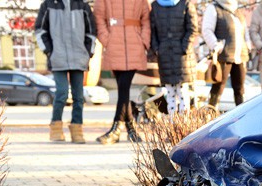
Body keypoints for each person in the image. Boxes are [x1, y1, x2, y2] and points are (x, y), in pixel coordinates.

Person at [35, 0, 97, 143]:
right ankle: (56, 128)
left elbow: (92, 32)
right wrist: (49, 51)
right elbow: (40, 30)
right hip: (58, 58)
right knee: (62, 93)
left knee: (79, 96)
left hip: (79, 58)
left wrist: (88, 53)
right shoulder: (48, 5)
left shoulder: (82, 6)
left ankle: (77, 130)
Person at [94, 0, 151, 144]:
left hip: (135, 46)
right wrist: (107, 40)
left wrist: (143, 41)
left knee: (124, 86)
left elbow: (146, 19)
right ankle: (131, 129)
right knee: (122, 89)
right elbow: (98, 18)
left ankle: (116, 128)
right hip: (114, 46)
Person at [150, 0, 199, 116]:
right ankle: (173, 124)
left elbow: (192, 28)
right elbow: (152, 32)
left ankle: (183, 124)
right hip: (165, 55)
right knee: (170, 92)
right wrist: (157, 49)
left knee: (182, 92)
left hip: (182, 57)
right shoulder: (155, 6)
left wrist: (184, 48)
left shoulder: (186, 4)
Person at [202, 0, 249, 108]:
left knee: (240, 89)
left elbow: (245, 31)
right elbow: (207, 30)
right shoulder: (214, 8)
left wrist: (248, 44)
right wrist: (216, 45)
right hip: (223, 55)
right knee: (218, 87)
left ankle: (241, 117)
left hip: (240, 55)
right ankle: (211, 114)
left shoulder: (237, 10)